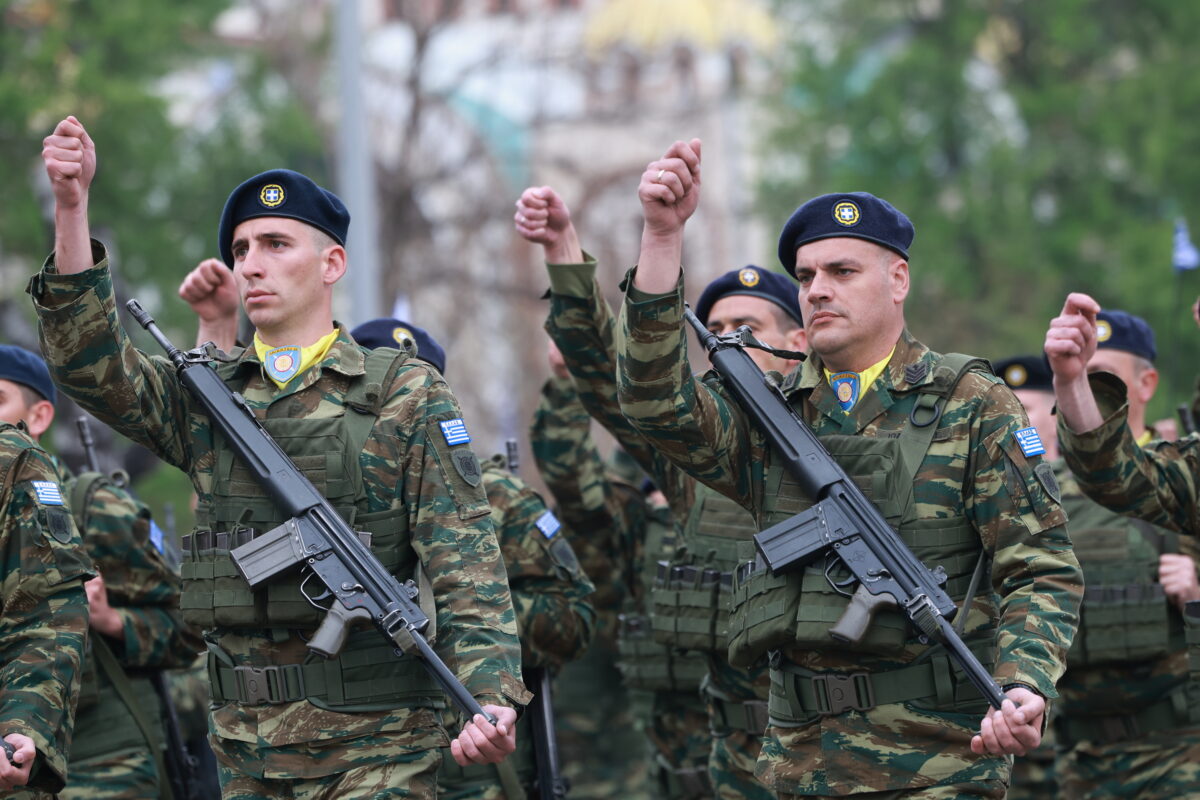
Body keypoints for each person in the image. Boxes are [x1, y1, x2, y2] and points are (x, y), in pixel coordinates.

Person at [32, 115, 529, 799]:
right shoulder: (208, 399)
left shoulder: (401, 391)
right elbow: (88, 364)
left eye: (275, 243)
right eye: (241, 249)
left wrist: (491, 695)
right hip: (248, 750)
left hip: (380, 745)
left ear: (332, 264)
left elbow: (467, 561)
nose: (251, 264)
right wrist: (71, 205)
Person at [616, 138, 1083, 799]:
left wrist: (1024, 683)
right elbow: (652, 403)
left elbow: (1039, 562)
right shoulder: (765, 413)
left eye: (842, 271)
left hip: (939, 765)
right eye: (806, 278)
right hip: (796, 765)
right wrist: (663, 236)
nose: (818, 291)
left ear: (898, 280)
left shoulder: (969, 402)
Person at [515, 184, 806, 800]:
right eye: (717, 329)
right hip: (727, 764)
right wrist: (564, 250)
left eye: (747, 327)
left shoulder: (840, 435)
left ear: (796, 343)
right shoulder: (695, 458)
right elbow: (607, 377)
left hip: (831, 755)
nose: (729, 340)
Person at [0, 345, 205, 800]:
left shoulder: (93, 511)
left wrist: (112, 620)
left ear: (38, 417)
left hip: (101, 765)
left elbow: (193, 627)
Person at [1045, 302, 1200, 797]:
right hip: (1080, 757)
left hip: (1179, 751)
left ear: (1148, 384)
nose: (1091, 384)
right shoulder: (1050, 491)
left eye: (1102, 374)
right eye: (1082, 372)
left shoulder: (1180, 478)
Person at [0, 359, 92, 795]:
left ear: (38, 415)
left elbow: (43, 615)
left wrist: (22, 727)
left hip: (104, 753)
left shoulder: (16, 465)